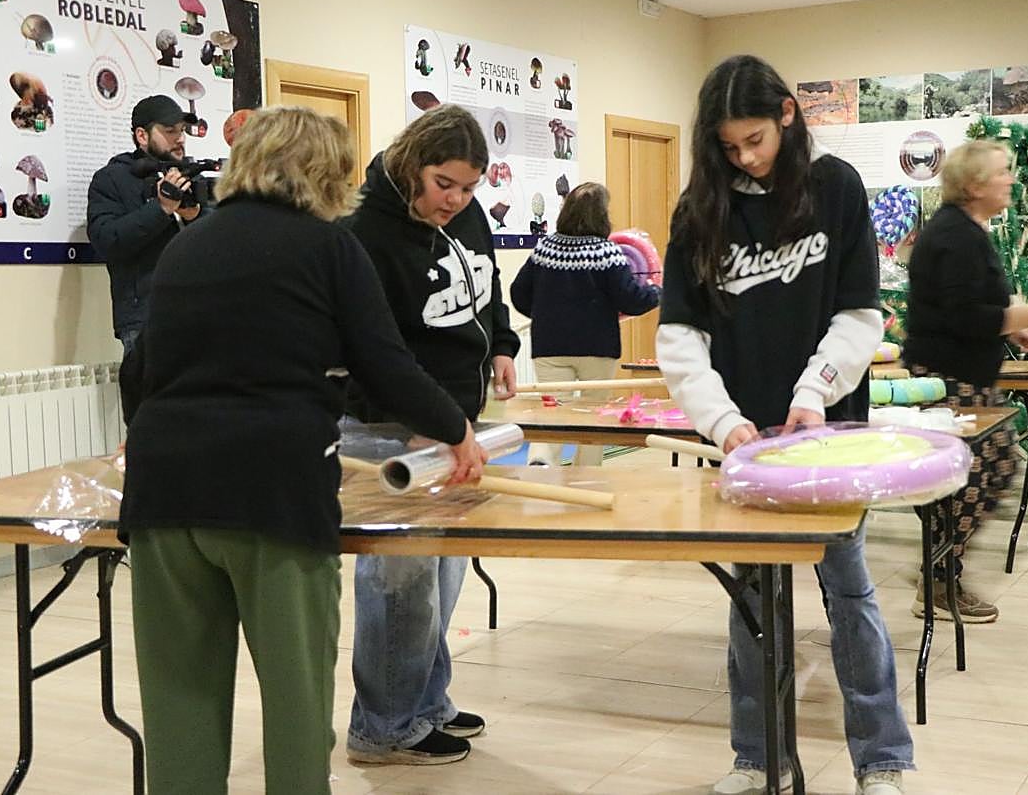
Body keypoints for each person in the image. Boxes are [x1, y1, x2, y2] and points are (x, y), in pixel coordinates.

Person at [117, 105, 487, 794]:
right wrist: (457, 428)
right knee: (295, 702)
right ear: (327, 173)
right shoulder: (329, 247)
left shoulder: (185, 246)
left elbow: (137, 369)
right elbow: (385, 363)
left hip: (165, 496)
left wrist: (141, 439)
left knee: (180, 706)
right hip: (274, 495)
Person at [657, 55, 912, 795]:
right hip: (748, 445)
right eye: (730, 145)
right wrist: (724, 422)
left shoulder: (835, 189)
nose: (744, 156)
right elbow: (679, 339)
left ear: (788, 117)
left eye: (756, 139)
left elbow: (860, 314)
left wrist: (814, 394)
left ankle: (883, 759)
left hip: (830, 434)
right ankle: (755, 755)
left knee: (850, 592)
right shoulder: (700, 210)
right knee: (754, 600)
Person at [343, 104, 520, 766]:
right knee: (398, 578)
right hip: (391, 426)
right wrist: (433, 424)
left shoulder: (464, 212)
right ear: (413, 164)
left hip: (451, 423)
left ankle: (424, 700)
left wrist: (501, 344)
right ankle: (383, 724)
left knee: (442, 573)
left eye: (471, 186)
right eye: (446, 184)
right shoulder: (365, 225)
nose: (458, 199)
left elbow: (488, 284)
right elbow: (372, 348)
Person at [902, 139, 1028, 622]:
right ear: (975, 184)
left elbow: (967, 308)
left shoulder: (964, 230)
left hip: (962, 377)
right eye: (1003, 171)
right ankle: (938, 578)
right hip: (947, 382)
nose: (1011, 179)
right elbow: (962, 317)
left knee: (982, 471)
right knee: (986, 470)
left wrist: (1013, 327)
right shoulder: (956, 235)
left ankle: (938, 572)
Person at [510, 182, 660, 466]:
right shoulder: (607, 253)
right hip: (597, 348)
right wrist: (657, 291)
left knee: (551, 413)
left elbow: (519, 294)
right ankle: (588, 475)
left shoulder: (544, 250)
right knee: (594, 415)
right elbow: (631, 299)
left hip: (549, 347)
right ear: (601, 216)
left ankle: (541, 463)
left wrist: (545, 315)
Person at [87, 94, 211, 355]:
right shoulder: (112, 179)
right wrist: (161, 208)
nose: (180, 139)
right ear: (142, 136)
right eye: (169, 131)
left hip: (201, 315)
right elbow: (108, 241)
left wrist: (194, 216)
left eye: (182, 131)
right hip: (145, 319)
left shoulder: (192, 176)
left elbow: (223, 244)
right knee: (149, 396)